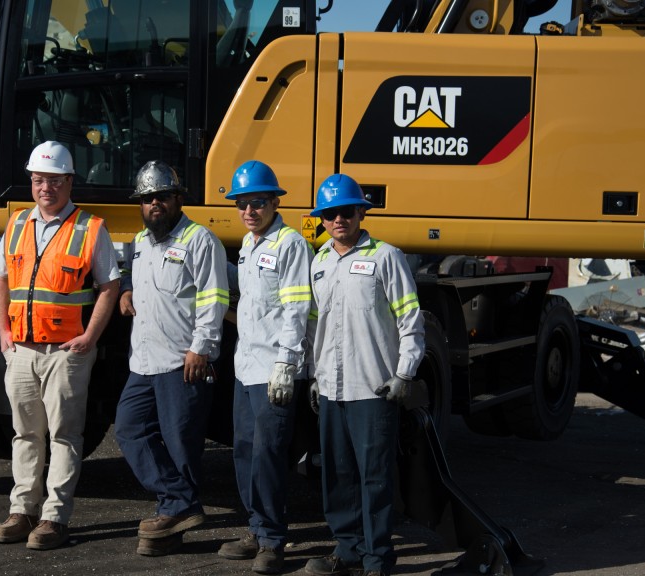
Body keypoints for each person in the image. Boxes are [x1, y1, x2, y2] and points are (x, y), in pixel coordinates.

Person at [0, 140, 121, 550]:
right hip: (23, 350)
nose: (46, 188)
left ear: (68, 182)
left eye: (55, 181)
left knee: (64, 435)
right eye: (39, 180)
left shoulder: (90, 228)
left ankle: (54, 517)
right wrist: (4, 333)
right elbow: (0, 282)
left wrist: (90, 336)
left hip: (67, 352)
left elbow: (110, 286)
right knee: (25, 433)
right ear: (32, 181)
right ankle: (22, 509)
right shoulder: (17, 225)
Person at [304, 174, 425, 576]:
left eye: (346, 211)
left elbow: (410, 320)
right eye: (329, 214)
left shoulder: (385, 256)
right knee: (337, 474)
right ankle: (348, 549)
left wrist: (404, 373)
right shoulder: (319, 262)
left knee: (375, 477)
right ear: (321, 219)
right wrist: (313, 376)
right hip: (331, 388)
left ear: (360, 212)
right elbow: (314, 326)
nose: (338, 219)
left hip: (373, 387)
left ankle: (377, 559)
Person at [114, 160, 230, 557]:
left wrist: (202, 347)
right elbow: (135, 275)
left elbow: (215, 298)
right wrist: (127, 289)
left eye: (162, 196)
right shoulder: (141, 242)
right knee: (129, 429)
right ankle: (179, 502)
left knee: (181, 443)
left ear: (179, 198)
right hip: (143, 362)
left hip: (183, 360)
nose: (154, 204)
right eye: (147, 199)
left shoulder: (200, 240)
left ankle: (171, 520)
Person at [217, 161, 313, 575]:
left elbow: (297, 309)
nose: (249, 211)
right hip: (246, 367)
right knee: (244, 451)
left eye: (257, 202)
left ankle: (273, 539)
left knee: (270, 453)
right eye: (242, 204)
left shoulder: (289, 244)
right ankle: (255, 528)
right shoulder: (249, 243)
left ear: (275, 202)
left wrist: (285, 364)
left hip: (275, 368)